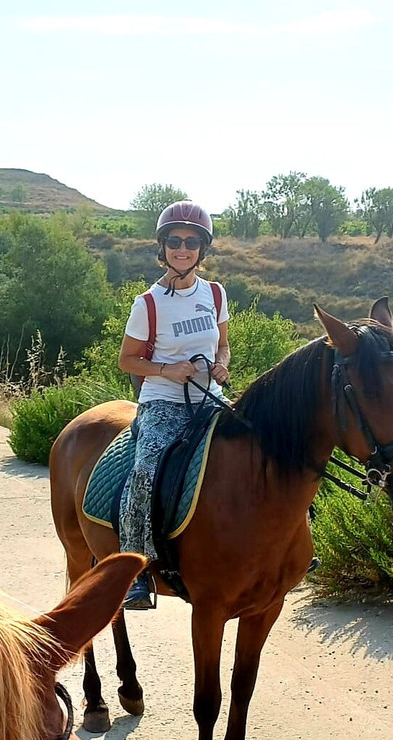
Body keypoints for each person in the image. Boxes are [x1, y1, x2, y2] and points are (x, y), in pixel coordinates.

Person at [116, 201, 229, 609]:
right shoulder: (147, 304)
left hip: (209, 400)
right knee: (146, 471)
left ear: (202, 249)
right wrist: (166, 370)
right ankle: (135, 569)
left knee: (267, 444)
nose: (183, 249)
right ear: (163, 247)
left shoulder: (215, 294)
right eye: (175, 241)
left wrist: (221, 365)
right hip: (162, 402)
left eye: (191, 242)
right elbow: (127, 360)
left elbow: (224, 345)